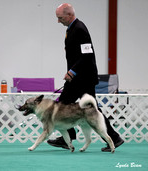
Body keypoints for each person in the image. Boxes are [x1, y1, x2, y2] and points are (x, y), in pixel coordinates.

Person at [47, 3, 124, 152]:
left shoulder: (80, 29)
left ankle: (111, 138)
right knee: (72, 107)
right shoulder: (72, 29)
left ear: (69, 15)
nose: (58, 21)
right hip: (77, 78)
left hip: (83, 78)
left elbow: (86, 56)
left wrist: (72, 72)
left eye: (60, 18)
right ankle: (111, 138)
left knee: (69, 107)